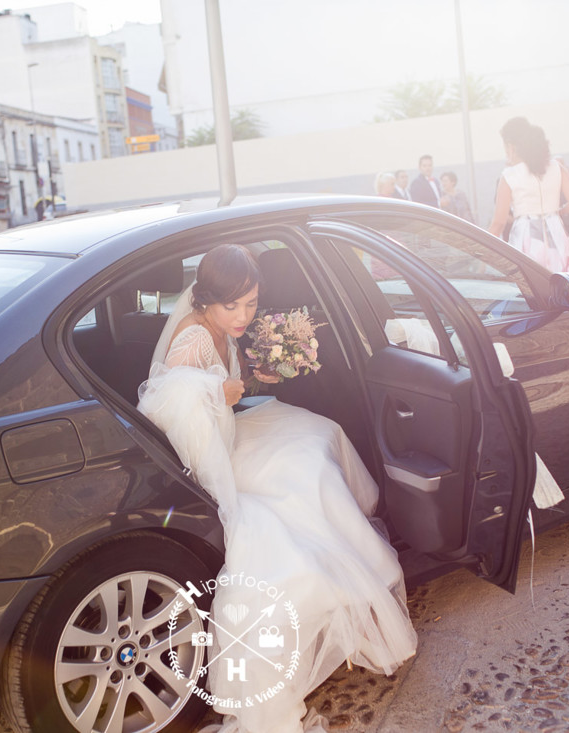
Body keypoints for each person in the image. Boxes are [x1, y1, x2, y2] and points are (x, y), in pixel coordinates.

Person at [138, 245, 417, 733]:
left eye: (251, 303)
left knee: (317, 433)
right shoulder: (192, 340)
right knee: (300, 475)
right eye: (231, 305)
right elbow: (166, 410)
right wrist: (214, 394)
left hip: (231, 433)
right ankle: (337, 576)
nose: (243, 316)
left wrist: (254, 378)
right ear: (205, 300)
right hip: (211, 458)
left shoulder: (222, 330)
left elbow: (229, 388)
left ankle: (350, 567)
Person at [487, 117, 569, 275]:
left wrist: (480, 251)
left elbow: (499, 223)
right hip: (556, 233)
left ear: (511, 146)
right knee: (560, 278)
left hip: (526, 236)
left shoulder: (509, 175)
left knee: (531, 279)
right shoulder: (556, 167)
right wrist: (557, 213)